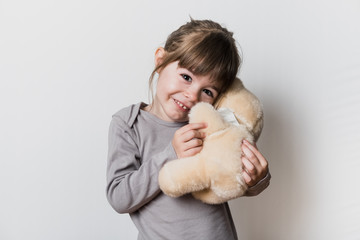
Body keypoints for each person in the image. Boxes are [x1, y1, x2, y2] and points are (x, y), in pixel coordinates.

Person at [106, 18, 270, 240]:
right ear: (160, 61)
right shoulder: (129, 123)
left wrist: (256, 180)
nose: (192, 95)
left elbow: (228, 181)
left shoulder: (209, 124)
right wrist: (170, 155)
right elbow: (119, 197)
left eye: (208, 91)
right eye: (186, 77)